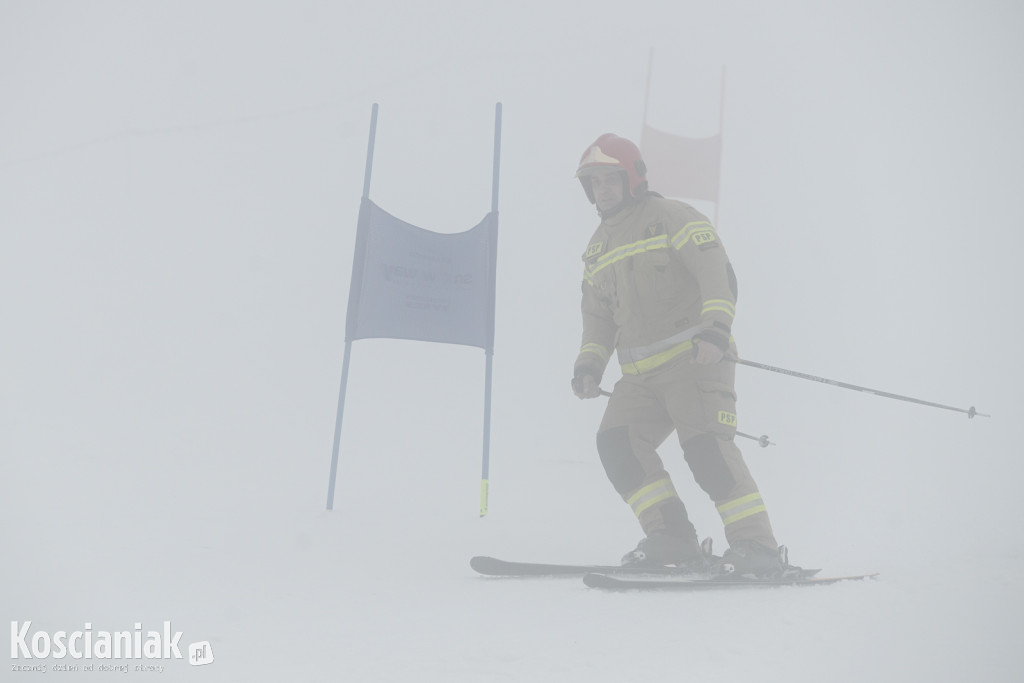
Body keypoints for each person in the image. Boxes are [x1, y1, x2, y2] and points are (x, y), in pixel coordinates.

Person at [571, 133, 782, 577]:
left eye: (612, 179)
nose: (603, 189)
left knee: (706, 450)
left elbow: (716, 273)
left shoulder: (671, 217)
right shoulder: (596, 250)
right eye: (595, 182)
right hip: (639, 377)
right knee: (617, 443)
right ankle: (672, 538)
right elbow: (598, 318)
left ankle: (756, 547)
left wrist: (716, 331)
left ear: (633, 179)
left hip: (695, 361)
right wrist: (589, 364)